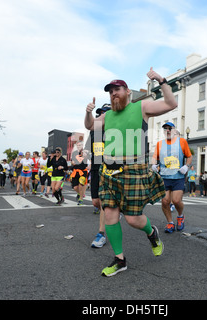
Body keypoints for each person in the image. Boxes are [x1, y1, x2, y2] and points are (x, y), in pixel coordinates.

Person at [85, 68, 177, 277]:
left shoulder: (141, 107)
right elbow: (91, 126)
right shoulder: (107, 115)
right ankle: (120, 259)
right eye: (110, 91)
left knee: (133, 220)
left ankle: (151, 232)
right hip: (109, 171)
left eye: (117, 89)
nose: (113, 93)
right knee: (109, 215)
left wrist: (161, 80)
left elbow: (171, 104)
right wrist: (88, 112)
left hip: (134, 171)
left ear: (128, 92)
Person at [152, 121, 192, 233]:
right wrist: (154, 165)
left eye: (170, 128)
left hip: (178, 176)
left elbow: (189, 156)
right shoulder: (160, 144)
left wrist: (186, 166)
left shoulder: (182, 142)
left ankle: (180, 216)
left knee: (176, 201)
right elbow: (155, 157)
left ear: (174, 130)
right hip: (164, 176)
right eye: (165, 129)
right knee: (165, 201)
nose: (168, 130)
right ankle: (170, 223)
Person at [86, 104, 111, 248]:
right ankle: (112, 211)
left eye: (104, 113)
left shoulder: (114, 129)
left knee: (103, 201)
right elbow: (89, 148)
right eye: (99, 113)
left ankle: (101, 234)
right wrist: (88, 158)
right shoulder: (94, 130)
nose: (100, 116)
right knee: (96, 201)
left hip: (109, 166)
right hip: (95, 167)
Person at [70, 141, 89, 205]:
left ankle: (81, 199)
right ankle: (79, 193)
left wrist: (89, 166)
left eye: (80, 145)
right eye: (77, 145)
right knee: (75, 187)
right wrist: (72, 163)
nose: (79, 147)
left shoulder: (85, 152)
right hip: (75, 171)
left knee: (81, 184)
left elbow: (90, 160)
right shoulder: (74, 153)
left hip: (83, 171)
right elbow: (72, 161)